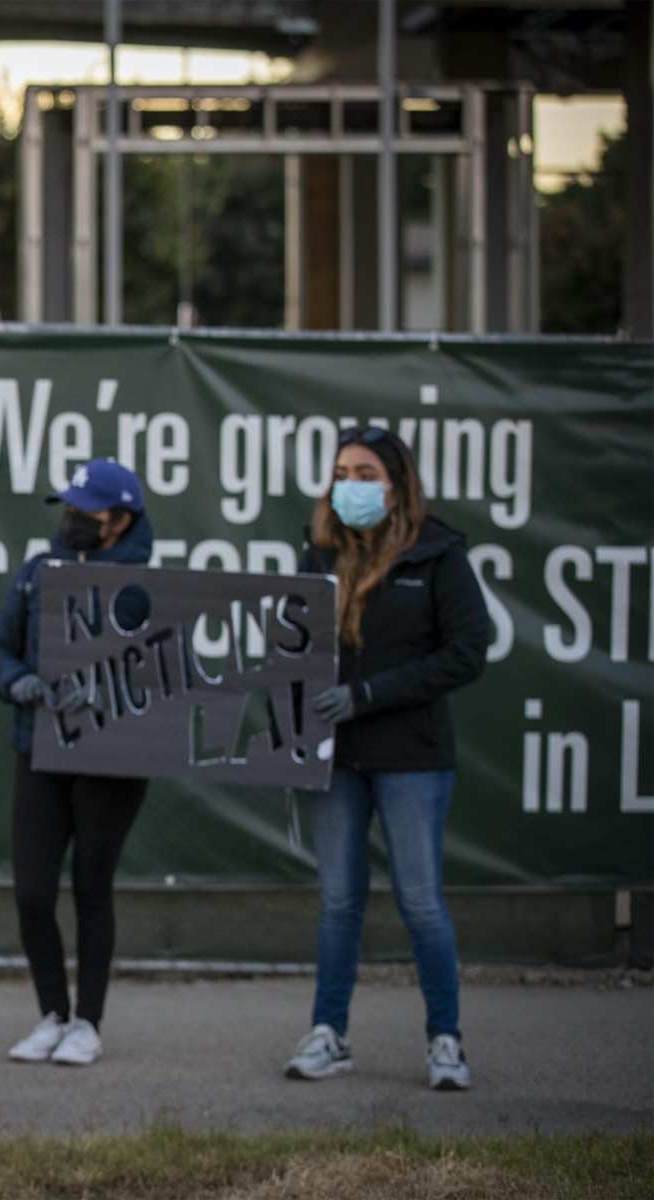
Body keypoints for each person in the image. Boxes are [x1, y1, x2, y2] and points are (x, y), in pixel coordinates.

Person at [286, 425, 489, 1091]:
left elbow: (466, 651)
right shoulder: (316, 554)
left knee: (422, 903)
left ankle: (445, 1042)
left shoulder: (439, 553)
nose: (351, 485)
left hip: (413, 758)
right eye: (342, 472)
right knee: (339, 902)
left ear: (398, 484)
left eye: (366, 473)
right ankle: (328, 1033)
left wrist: (367, 694)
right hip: (333, 760)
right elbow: (290, 646)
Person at [0, 459, 154, 1068]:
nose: (73, 519)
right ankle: (52, 1014)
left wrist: (105, 693)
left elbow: (157, 674)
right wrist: (21, 683)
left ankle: (89, 1022)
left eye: (88, 509)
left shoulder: (149, 585)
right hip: (40, 752)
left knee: (91, 889)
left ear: (122, 519)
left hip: (113, 762)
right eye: (70, 506)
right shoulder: (37, 573)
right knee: (32, 893)